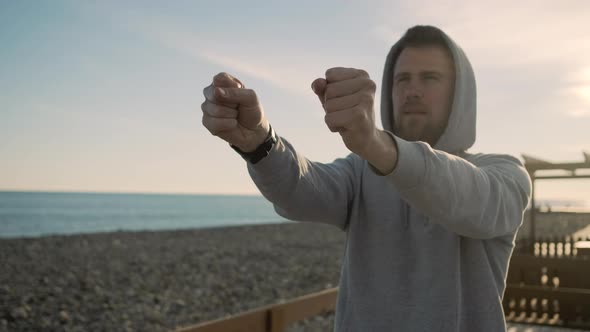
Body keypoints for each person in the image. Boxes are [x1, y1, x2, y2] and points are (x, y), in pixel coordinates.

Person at [201, 25, 532, 332]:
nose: (412, 91)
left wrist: (375, 144)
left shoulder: (505, 173)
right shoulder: (361, 171)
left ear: (460, 93)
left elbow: (469, 201)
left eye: (430, 78)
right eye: (402, 79)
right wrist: (259, 141)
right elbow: (299, 190)